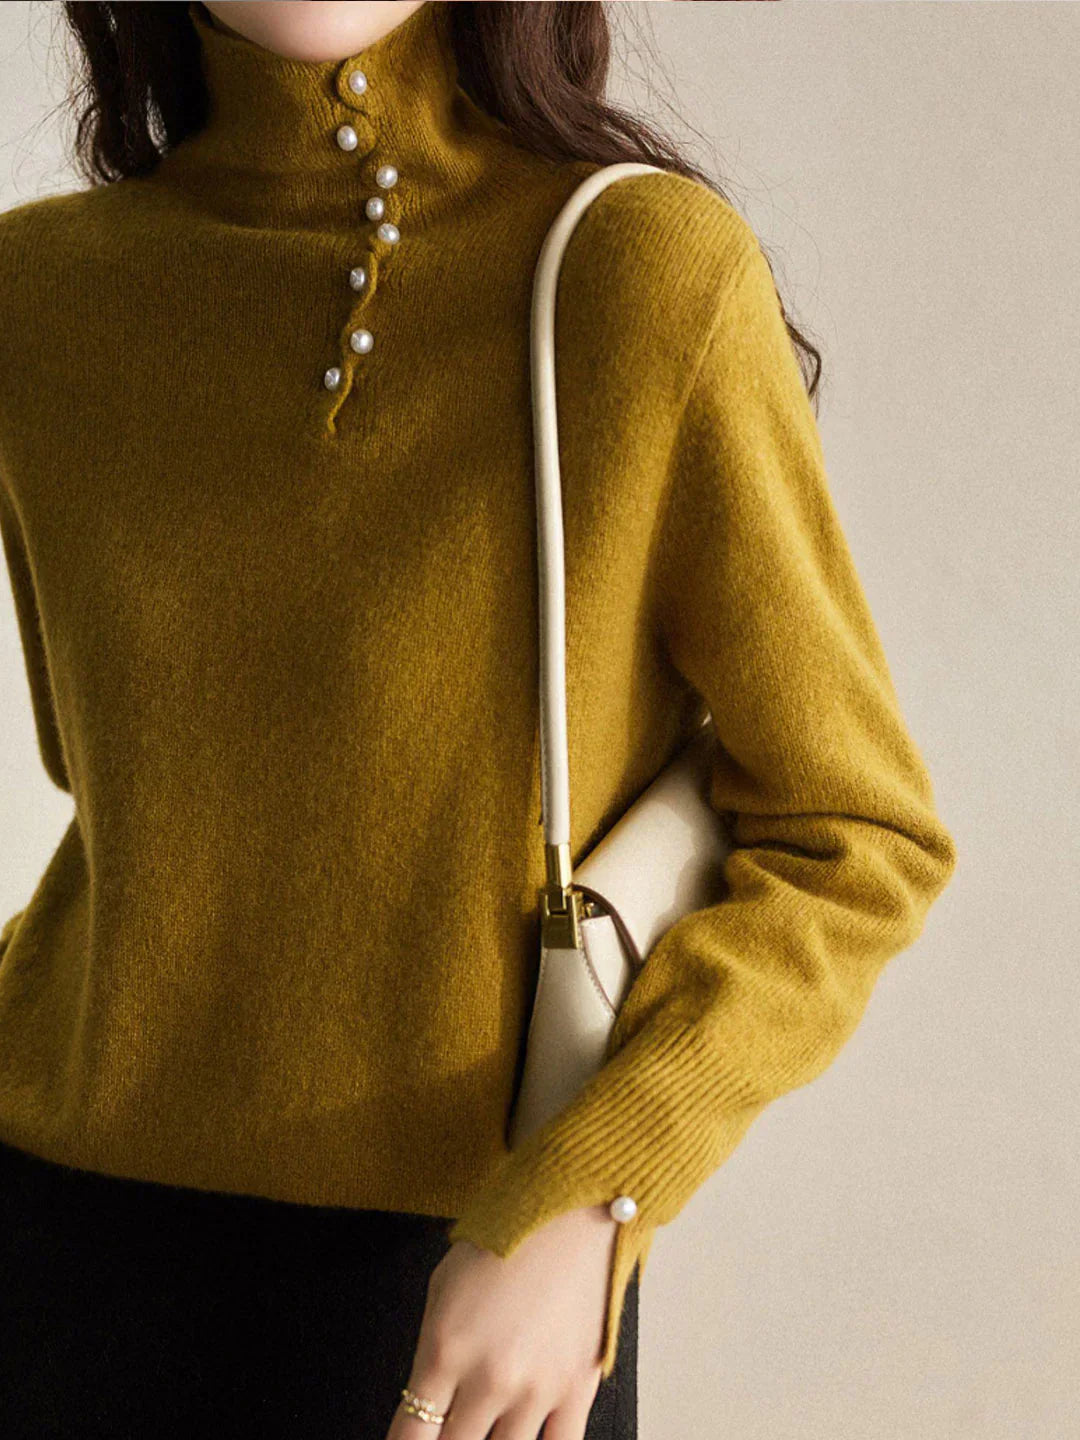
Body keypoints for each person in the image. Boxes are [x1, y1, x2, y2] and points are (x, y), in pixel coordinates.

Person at [0, 2, 957, 1437]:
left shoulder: (638, 272)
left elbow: (856, 836)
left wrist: (597, 1190)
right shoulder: (36, 294)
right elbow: (115, 784)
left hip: (474, 1275)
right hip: (50, 1241)